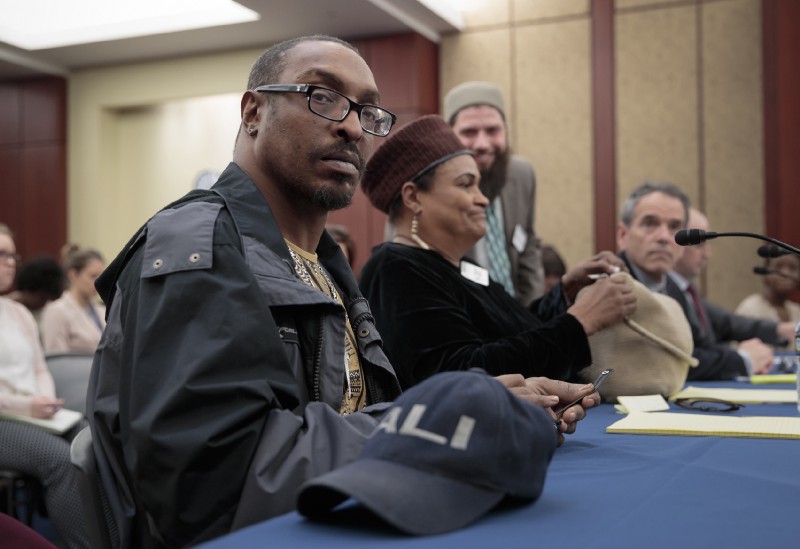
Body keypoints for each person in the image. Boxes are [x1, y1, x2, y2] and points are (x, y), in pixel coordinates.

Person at [87, 36, 603, 549]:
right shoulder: (198, 247)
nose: (353, 126)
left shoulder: (328, 264)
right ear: (253, 113)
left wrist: (484, 414)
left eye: (369, 111)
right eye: (323, 95)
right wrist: (434, 423)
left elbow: (353, 419)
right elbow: (210, 486)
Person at [358, 114, 636, 389]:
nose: (483, 199)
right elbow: (459, 375)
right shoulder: (396, 269)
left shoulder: (458, 266)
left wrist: (564, 294)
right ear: (414, 197)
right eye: (466, 184)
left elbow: (516, 334)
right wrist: (581, 322)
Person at [617, 183, 781, 380]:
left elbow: (700, 347)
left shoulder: (673, 288)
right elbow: (660, 361)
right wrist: (741, 359)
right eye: (650, 224)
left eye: (674, 227)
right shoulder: (613, 285)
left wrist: (746, 354)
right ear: (623, 235)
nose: (664, 237)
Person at [0, 223, 90, 549]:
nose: (11, 262)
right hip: (4, 419)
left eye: (13, 255)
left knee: (95, 443)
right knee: (60, 460)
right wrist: (28, 406)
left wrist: (47, 400)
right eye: (2, 255)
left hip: (35, 412)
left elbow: (41, 366)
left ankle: (117, 540)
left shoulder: (18, 312)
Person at [444, 81, 544, 306]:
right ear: (449, 136)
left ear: (505, 132)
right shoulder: (429, 189)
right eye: (469, 132)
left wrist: (533, 315)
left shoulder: (521, 174)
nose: (482, 143)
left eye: (492, 130)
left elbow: (527, 245)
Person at [671, 207, 794, 357]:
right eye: (700, 244)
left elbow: (726, 323)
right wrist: (742, 358)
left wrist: (778, 329)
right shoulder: (665, 290)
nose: (707, 254)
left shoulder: (688, 289)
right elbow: (690, 355)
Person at [40, 248, 106, 354]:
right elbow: (57, 360)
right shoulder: (56, 311)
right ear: (73, 275)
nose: (98, 282)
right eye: (93, 276)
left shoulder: (102, 310)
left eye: (101, 276)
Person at [8, 256, 65, 328]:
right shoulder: (7, 308)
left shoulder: (51, 311)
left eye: (47, 298)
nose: (43, 302)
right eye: (41, 297)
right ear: (27, 290)